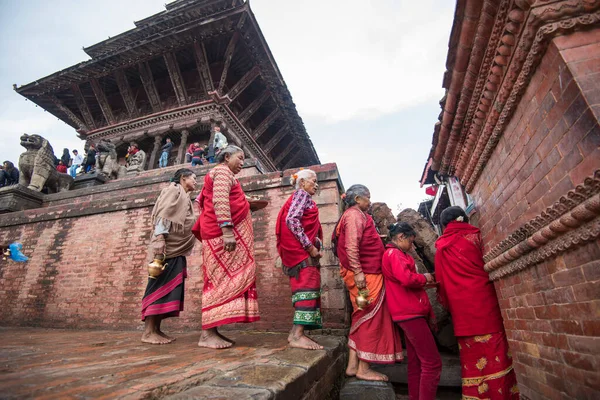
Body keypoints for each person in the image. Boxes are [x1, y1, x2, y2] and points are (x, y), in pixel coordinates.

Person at [435, 206, 519, 399]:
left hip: (462, 310)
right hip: (485, 301)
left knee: (473, 357)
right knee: (496, 349)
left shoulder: (441, 247)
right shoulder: (477, 237)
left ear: (445, 225)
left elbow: (441, 283)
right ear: (463, 219)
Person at [334, 184, 403, 381]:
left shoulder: (357, 215)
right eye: (368, 198)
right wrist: (358, 272)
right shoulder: (354, 215)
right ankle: (364, 368)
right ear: (357, 200)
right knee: (370, 317)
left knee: (361, 316)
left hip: (366, 271)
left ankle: (352, 365)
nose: (370, 201)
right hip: (365, 273)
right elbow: (351, 245)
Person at [193, 145, 259, 348]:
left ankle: (213, 330)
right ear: (227, 156)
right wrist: (227, 231)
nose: (242, 162)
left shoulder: (226, 174)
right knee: (217, 282)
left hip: (221, 235)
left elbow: (226, 198)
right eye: (240, 158)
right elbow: (220, 200)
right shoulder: (222, 171)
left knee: (219, 280)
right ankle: (206, 334)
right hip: (221, 237)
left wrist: (246, 202)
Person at [382, 222, 442, 400]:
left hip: (408, 312)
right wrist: (424, 277)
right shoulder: (394, 253)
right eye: (410, 241)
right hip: (409, 312)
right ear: (401, 237)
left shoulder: (397, 253)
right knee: (432, 363)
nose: (412, 245)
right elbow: (406, 279)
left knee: (416, 363)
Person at [141, 168, 198, 344]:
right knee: (158, 286)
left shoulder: (185, 197)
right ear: (183, 178)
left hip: (175, 249)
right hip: (165, 248)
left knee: (168, 289)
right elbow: (163, 214)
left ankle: (156, 329)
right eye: (193, 178)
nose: (196, 182)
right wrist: (159, 239)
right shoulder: (173, 190)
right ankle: (148, 332)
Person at [276, 169, 324, 350]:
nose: (316, 184)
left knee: (306, 289)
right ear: (302, 182)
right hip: (303, 255)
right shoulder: (302, 195)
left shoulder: (303, 197)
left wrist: (317, 242)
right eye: (314, 180)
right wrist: (310, 247)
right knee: (307, 289)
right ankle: (297, 335)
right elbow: (292, 220)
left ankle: (295, 333)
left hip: (302, 255)